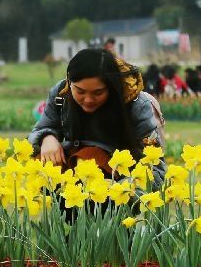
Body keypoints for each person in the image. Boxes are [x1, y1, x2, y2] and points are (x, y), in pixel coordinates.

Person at [29, 48, 167, 191]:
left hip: (116, 184)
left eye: (98, 92)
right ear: (69, 82)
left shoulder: (136, 105)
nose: (88, 100)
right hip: (71, 180)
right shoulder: (61, 93)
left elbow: (156, 169)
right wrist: (47, 137)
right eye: (80, 91)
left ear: (112, 87)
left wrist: (118, 191)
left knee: (89, 157)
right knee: (42, 163)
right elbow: (37, 133)